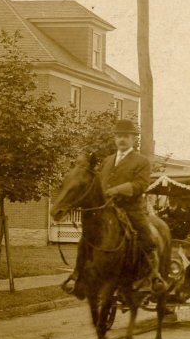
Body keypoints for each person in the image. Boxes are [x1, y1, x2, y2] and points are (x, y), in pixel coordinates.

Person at [64, 119, 166, 298]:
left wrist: (117, 190)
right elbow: (98, 183)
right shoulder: (107, 161)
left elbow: (140, 185)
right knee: (86, 239)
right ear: (114, 139)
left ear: (133, 139)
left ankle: (154, 275)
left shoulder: (142, 161)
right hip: (106, 208)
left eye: (126, 136)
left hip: (131, 208)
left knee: (146, 238)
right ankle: (77, 275)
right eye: (119, 136)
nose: (122, 140)